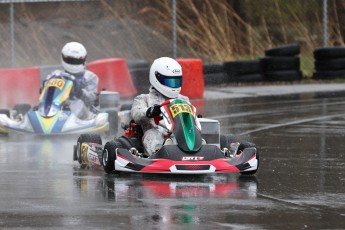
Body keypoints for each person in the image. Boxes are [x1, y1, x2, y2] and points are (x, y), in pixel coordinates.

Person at [131, 57, 189, 156]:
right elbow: (136, 114)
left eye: (176, 81)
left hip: (179, 134)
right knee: (153, 135)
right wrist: (150, 111)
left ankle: (200, 150)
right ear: (157, 78)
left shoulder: (183, 100)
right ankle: (159, 153)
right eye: (169, 82)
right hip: (155, 134)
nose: (173, 85)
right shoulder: (144, 99)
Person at [46, 42, 99, 119]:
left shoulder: (90, 77)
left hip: (83, 112)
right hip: (57, 107)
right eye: (70, 60)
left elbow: (92, 100)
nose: (73, 64)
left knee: (78, 103)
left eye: (77, 61)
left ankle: (67, 117)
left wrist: (79, 92)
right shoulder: (56, 74)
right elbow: (45, 94)